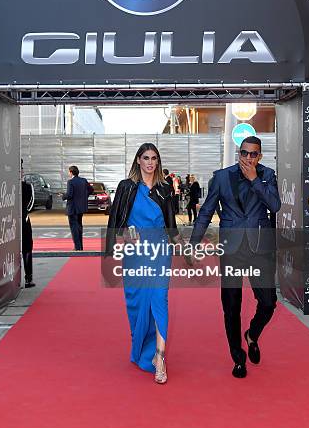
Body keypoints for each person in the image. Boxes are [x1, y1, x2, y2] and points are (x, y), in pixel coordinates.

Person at [190, 136, 281, 379]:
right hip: (231, 250)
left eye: (254, 154)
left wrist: (254, 180)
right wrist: (193, 243)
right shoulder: (221, 177)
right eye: (244, 153)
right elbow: (207, 211)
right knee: (231, 306)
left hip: (259, 249)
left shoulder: (267, 175)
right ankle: (237, 357)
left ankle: (252, 334)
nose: (248, 158)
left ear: (259, 156)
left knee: (268, 302)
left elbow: (275, 205)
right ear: (238, 153)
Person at [105, 143, 183, 385]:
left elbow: (171, 225)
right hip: (135, 252)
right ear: (138, 160)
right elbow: (115, 224)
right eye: (146, 158)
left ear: (158, 162)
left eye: (154, 158)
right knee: (138, 304)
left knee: (159, 299)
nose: (150, 162)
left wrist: (187, 250)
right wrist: (122, 239)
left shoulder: (165, 189)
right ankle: (141, 347)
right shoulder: (126, 187)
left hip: (159, 249)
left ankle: (159, 357)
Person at [62, 166, 93, 251]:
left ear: (71, 172)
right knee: (79, 226)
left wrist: (63, 196)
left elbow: (69, 195)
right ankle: (80, 246)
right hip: (81, 208)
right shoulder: (83, 180)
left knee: (74, 227)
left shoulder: (70, 182)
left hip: (72, 208)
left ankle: (77, 247)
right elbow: (91, 190)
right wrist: (84, 196)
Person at [21, 162, 35, 288]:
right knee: (27, 249)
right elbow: (30, 206)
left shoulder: (4, 186)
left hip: (6, 221)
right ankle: (28, 279)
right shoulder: (27, 187)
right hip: (24, 221)